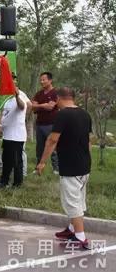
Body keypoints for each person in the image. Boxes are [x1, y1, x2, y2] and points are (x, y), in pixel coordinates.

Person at [36, 87, 92, 250]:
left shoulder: (62, 114)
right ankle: (72, 229)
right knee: (79, 198)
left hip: (70, 166)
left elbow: (52, 140)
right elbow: (88, 141)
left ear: (59, 98)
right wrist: (87, 160)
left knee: (72, 201)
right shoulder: (85, 114)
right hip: (84, 165)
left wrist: (42, 162)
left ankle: (80, 237)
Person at [0, 77, 31, 188]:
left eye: (13, 84)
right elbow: (3, 113)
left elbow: (22, 106)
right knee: (6, 160)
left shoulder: (20, 97)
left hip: (17, 136)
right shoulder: (7, 100)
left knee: (17, 162)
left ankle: (17, 183)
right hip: (7, 135)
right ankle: (4, 181)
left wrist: (16, 96)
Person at [31, 72, 59, 174]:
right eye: (41, 80)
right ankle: (38, 168)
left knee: (53, 147)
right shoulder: (38, 94)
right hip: (39, 124)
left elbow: (51, 107)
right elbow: (32, 107)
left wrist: (39, 105)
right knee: (39, 147)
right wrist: (44, 105)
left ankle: (56, 168)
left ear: (50, 80)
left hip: (51, 124)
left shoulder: (56, 93)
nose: (41, 81)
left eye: (44, 79)